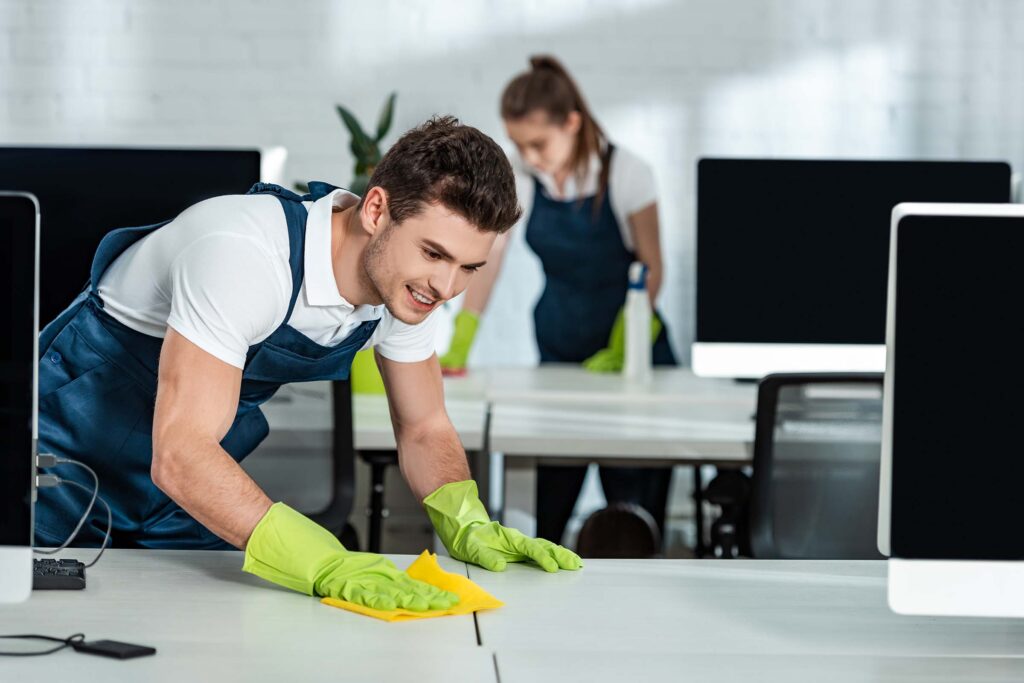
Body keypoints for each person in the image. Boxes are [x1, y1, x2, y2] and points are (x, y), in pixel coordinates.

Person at [35, 116, 581, 612]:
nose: (447, 286)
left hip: (172, 497)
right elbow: (180, 454)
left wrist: (464, 517)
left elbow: (424, 425)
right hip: (53, 472)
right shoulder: (244, 253)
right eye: (434, 254)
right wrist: (321, 560)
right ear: (375, 210)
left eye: (469, 266)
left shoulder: (406, 290)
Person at [440, 56, 677, 549]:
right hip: (559, 347)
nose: (528, 155)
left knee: (631, 516)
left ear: (572, 123)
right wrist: (463, 336)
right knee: (553, 501)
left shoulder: (628, 173)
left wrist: (626, 338)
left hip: (630, 358)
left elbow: (652, 266)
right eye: (519, 143)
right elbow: (492, 254)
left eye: (537, 143)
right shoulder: (526, 177)